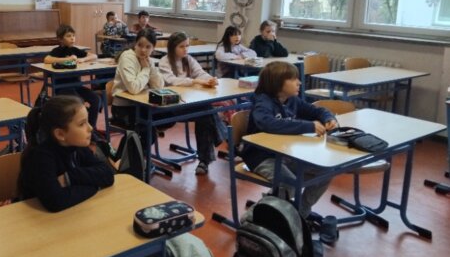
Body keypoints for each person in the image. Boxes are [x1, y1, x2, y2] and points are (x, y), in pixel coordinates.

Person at [19, 95, 125, 257]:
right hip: (39, 236)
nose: (90, 129)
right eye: (82, 124)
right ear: (60, 133)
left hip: (69, 223)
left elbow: (107, 175)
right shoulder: (40, 158)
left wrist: (71, 177)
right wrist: (92, 185)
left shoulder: (77, 148)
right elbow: (56, 201)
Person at [243, 61, 338, 217]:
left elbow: (316, 111)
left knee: (326, 170)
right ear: (278, 83)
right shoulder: (263, 102)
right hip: (261, 156)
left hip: (287, 154)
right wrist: (307, 126)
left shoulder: (292, 99)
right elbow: (268, 123)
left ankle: (300, 213)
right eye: (293, 79)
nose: (299, 82)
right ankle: (254, 217)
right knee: (288, 183)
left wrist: (328, 118)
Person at [158, 32, 227, 175]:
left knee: (206, 112)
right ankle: (224, 139)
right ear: (172, 47)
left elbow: (200, 73)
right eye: (181, 46)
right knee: (206, 112)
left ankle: (204, 161)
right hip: (172, 106)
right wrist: (194, 81)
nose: (185, 49)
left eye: (187, 46)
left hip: (188, 103)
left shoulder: (188, 59)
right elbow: (172, 81)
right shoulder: (165, 61)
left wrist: (210, 79)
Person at [44, 24, 101, 135]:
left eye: (73, 36)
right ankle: (79, 130)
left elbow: (94, 56)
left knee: (95, 99)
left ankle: (91, 129)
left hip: (76, 86)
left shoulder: (75, 50)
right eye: (68, 36)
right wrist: (66, 59)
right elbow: (47, 59)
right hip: (62, 88)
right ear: (60, 39)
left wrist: (83, 59)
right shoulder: (57, 51)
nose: (72, 38)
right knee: (79, 102)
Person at [110, 28, 164, 142]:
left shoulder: (148, 60)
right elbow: (133, 88)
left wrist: (150, 67)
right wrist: (145, 69)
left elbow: (159, 87)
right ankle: (130, 152)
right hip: (123, 108)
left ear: (153, 48)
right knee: (148, 135)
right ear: (135, 44)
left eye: (148, 47)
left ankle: (132, 151)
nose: (143, 50)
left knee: (167, 117)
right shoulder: (127, 57)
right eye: (140, 45)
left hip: (142, 105)